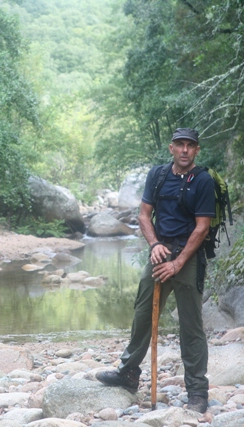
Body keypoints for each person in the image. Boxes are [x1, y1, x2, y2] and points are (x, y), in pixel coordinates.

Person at [95, 128, 214, 414]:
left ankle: (197, 391)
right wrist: (154, 245)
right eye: (180, 145)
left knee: (191, 325)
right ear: (171, 148)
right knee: (142, 314)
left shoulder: (203, 181)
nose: (185, 150)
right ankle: (128, 374)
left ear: (197, 150)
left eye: (190, 146)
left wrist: (178, 262)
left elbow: (202, 227)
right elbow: (144, 215)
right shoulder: (158, 175)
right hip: (159, 253)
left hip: (188, 256)